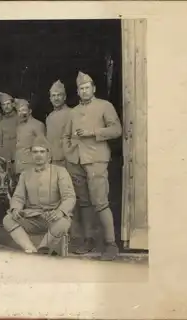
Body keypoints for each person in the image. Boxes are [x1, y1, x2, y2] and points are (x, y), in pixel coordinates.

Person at [62, 71, 122, 261]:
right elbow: (66, 136)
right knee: (84, 202)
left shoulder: (105, 106)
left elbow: (116, 130)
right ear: (78, 92)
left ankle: (111, 244)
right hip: (76, 162)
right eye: (81, 88)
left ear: (93, 89)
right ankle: (88, 240)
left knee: (100, 202)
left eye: (87, 88)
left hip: (96, 160)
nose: (84, 91)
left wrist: (92, 132)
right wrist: (69, 152)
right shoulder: (73, 112)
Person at [2, 135, 75, 255]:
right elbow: (18, 197)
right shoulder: (25, 174)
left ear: (48, 154)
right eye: (35, 152)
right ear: (31, 154)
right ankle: (31, 250)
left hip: (53, 217)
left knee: (63, 222)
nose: (38, 155)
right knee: (8, 219)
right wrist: (16, 209)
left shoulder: (60, 172)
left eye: (42, 151)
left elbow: (69, 197)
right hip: (32, 218)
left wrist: (60, 212)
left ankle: (43, 248)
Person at [15, 98, 46, 176]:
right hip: (20, 164)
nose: (21, 113)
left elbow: (43, 146)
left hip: (32, 165)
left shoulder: (38, 125)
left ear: (30, 111)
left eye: (24, 110)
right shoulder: (19, 126)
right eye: (19, 111)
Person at [46, 80, 71, 167]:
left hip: (68, 161)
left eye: (59, 95)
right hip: (52, 160)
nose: (56, 98)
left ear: (64, 97)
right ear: (50, 99)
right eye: (53, 96)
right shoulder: (49, 117)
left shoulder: (72, 113)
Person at [0, 92, 18, 163]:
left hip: (18, 155)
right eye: (3, 104)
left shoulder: (19, 118)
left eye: (8, 104)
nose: (6, 106)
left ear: (13, 104)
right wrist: (0, 155)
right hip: (5, 157)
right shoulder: (0, 121)